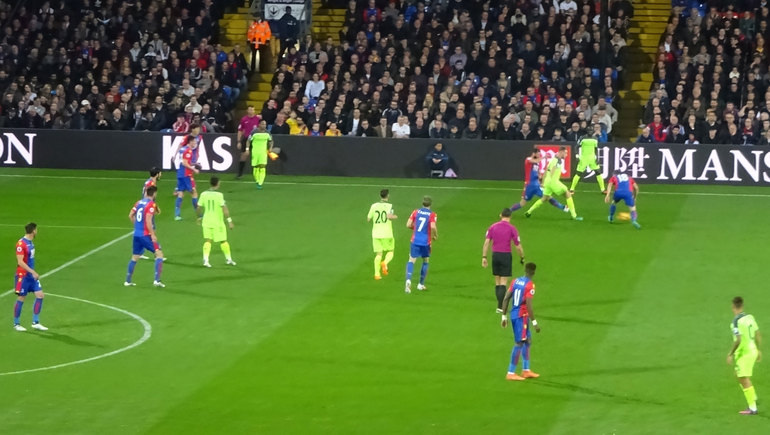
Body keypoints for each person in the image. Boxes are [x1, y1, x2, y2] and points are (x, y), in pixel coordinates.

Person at [500, 262, 540, 381]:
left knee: (528, 340)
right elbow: (529, 305)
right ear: (533, 272)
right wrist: (534, 322)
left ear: (525, 270)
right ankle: (510, 372)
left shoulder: (515, 281)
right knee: (519, 343)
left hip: (515, 315)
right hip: (521, 317)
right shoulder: (530, 285)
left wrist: (503, 316)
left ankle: (526, 370)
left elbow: (507, 297)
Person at [482, 208, 525, 313]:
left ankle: (499, 306)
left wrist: (484, 257)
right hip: (506, 256)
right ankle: (500, 306)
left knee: (497, 281)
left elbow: (487, 242)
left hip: (495, 255)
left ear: (501, 215)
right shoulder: (512, 228)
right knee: (504, 282)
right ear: (510, 216)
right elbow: (518, 246)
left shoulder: (493, 227)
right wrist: (522, 257)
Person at [526, 147, 583, 221]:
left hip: (547, 181)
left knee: (544, 198)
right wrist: (551, 178)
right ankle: (574, 216)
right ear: (561, 152)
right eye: (565, 153)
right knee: (567, 194)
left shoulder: (553, 159)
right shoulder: (558, 161)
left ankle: (529, 211)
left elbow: (546, 170)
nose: (566, 155)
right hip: (553, 182)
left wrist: (543, 182)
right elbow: (553, 169)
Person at [125, 186, 165, 288]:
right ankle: (157, 280)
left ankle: (128, 281)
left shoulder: (138, 202)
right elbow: (148, 221)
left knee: (135, 257)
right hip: (145, 235)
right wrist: (152, 234)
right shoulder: (151, 204)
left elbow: (130, 215)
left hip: (137, 235)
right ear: (154, 194)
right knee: (159, 254)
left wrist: (137, 226)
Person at [727, 296, 761, 415]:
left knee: (743, 378)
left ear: (733, 307)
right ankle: (753, 397)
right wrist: (758, 350)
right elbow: (757, 334)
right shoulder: (750, 317)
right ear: (742, 305)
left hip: (745, 353)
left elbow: (738, 340)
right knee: (738, 375)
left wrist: (730, 354)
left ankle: (753, 408)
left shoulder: (736, 322)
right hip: (753, 350)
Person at [510, 149, 568, 214]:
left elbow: (538, 174)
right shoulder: (528, 159)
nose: (539, 155)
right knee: (522, 203)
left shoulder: (537, 164)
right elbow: (535, 161)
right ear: (533, 153)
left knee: (548, 197)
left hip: (536, 186)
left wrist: (540, 180)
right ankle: (509, 211)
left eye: (539, 154)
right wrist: (544, 157)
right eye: (538, 154)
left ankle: (563, 207)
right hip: (529, 185)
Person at [13, 223, 47, 331]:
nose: (37, 231)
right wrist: (33, 272)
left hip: (31, 276)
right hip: (23, 276)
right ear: (33, 231)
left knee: (40, 295)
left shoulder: (30, 243)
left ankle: (35, 322)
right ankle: (16, 324)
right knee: (21, 298)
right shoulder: (21, 244)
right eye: (36, 229)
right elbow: (20, 262)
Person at [197, 177, 236, 267]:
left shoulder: (203, 194)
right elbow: (224, 208)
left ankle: (205, 260)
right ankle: (228, 259)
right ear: (217, 184)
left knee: (208, 241)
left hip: (206, 221)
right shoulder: (219, 195)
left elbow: (198, 207)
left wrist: (199, 217)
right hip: (217, 222)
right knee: (223, 241)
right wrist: (229, 221)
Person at [405, 196, 437, 294]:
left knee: (411, 260)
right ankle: (420, 284)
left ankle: (408, 280)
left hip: (415, 240)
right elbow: (432, 226)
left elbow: (408, 225)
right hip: (425, 242)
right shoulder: (432, 214)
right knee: (426, 261)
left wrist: (415, 228)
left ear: (422, 203)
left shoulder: (415, 212)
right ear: (430, 205)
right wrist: (435, 235)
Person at [367, 189, 398, 280]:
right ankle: (385, 263)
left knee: (378, 254)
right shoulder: (389, 206)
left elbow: (368, 219)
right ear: (387, 196)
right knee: (391, 251)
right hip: (387, 233)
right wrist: (395, 216)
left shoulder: (373, 206)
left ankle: (377, 274)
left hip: (376, 234)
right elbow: (389, 217)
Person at [174, 135, 200, 220]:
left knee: (181, 193)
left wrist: (194, 164)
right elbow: (185, 163)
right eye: (194, 142)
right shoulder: (188, 151)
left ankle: (177, 215)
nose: (195, 143)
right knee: (194, 192)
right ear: (191, 142)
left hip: (180, 173)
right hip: (186, 175)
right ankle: (199, 214)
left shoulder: (182, 149)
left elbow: (184, 162)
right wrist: (194, 169)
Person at [236, 106, 261, 179]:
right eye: (250, 109)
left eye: (253, 110)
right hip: (247, 139)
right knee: (244, 155)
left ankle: (258, 173)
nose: (252, 111)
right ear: (247, 110)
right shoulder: (244, 119)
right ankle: (240, 173)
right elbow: (240, 130)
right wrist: (239, 141)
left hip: (256, 139)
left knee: (257, 156)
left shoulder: (258, 119)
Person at [248, 120, 274, 189]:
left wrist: (271, 147)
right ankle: (257, 180)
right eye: (262, 124)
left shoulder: (267, 132)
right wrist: (247, 149)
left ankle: (260, 182)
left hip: (263, 152)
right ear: (259, 124)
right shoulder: (254, 132)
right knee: (256, 166)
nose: (264, 126)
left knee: (262, 166)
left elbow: (271, 141)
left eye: (265, 124)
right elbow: (248, 141)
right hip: (255, 152)